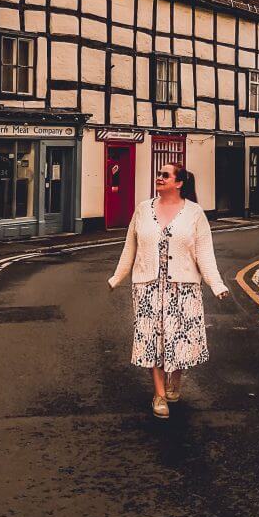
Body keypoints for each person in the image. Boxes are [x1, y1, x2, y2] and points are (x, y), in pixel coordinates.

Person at [108, 163, 229, 419]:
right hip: (147, 287)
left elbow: (205, 254)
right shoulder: (143, 210)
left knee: (178, 340)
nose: (159, 178)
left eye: (165, 175)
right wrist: (117, 277)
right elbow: (130, 247)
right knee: (151, 340)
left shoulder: (195, 213)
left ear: (179, 182)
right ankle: (159, 394)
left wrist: (217, 285)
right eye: (159, 174)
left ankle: (175, 379)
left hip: (183, 289)